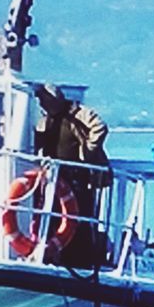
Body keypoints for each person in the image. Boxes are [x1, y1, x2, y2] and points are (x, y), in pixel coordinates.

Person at [35, 87, 111, 266]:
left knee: (79, 217)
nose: (42, 104)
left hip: (76, 177)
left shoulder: (77, 114)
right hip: (55, 177)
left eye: (44, 100)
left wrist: (87, 152)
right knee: (55, 217)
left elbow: (99, 127)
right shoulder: (45, 121)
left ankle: (79, 260)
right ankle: (55, 256)